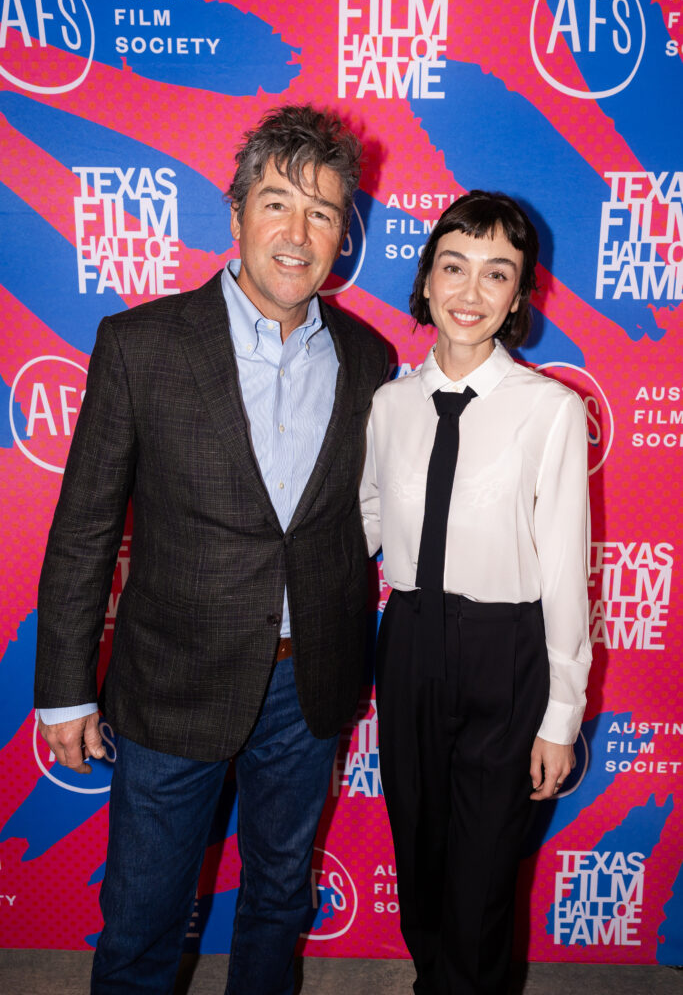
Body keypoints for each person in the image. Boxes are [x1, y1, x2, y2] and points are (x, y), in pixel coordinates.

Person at [35, 104, 387, 995]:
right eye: (277, 203)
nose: (297, 233)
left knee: (276, 900)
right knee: (144, 922)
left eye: (322, 210)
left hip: (305, 687)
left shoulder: (371, 360)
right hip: (170, 686)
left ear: (344, 231)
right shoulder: (139, 345)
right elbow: (84, 528)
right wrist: (64, 691)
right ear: (235, 215)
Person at [360, 191, 591, 995]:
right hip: (411, 639)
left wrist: (560, 717)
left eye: (497, 274)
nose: (470, 290)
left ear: (519, 297)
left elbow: (564, 568)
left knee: (484, 873)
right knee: (419, 857)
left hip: (506, 652)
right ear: (424, 281)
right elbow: (368, 514)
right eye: (453, 267)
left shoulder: (549, 411)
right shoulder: (388, 405)